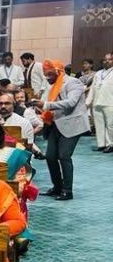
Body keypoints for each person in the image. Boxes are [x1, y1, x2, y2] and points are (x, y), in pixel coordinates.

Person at [32, 58, 90, 200]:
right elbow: (49, 103)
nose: (47, 78)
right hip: (55, 124)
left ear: (58, 71)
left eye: (50, 74)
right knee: (51, 157)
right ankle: (57, 187)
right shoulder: (52, 85)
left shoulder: (73, 83)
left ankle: (67, 191)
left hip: (72, 124)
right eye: (45, 75)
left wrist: (46, 105)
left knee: (64, 156)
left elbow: (71, 103)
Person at [90, 51, 113, 153]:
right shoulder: (98, 73)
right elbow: (92, 89)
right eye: (105, 60)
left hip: (109, 102)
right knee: (99, 124)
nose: (107, 61)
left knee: (110, 124)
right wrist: (88, 102)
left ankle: (110, 144)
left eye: (109, 59)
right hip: (97, 102)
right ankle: (101, 144)